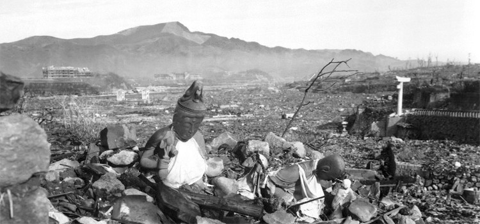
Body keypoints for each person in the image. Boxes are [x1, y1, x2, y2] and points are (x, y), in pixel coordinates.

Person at [140, 81, 209, 189]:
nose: (191, 130)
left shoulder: (197, 136)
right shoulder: (163, 135)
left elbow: (202, 159)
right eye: (187, 124)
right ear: (176, 118)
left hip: (194, 178)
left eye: (196, 125)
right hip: (169, 180)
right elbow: (144, 160)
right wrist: (161, 164)